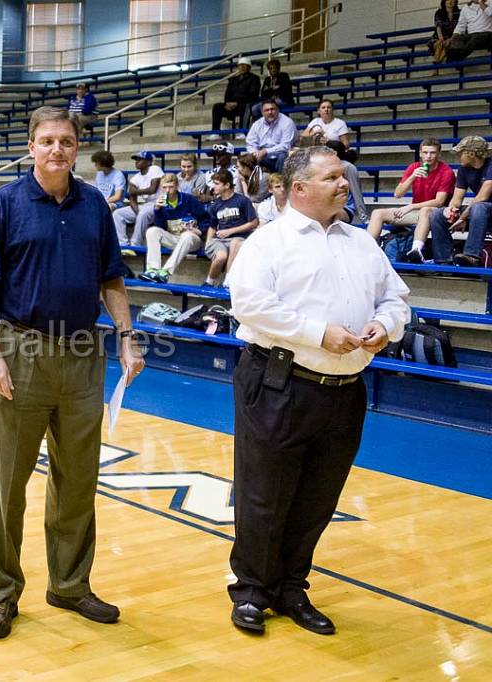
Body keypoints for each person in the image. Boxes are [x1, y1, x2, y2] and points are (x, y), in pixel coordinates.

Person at [0, 106, 144, 640]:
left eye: (66, 141)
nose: (57, 150)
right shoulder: (5, 204)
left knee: (77, 480)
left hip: (82, 354)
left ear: (76, 147)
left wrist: (127, 335)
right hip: (21, 350)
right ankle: (2, 593)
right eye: (47, 141)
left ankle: (70, 584)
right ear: (31, 146)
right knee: (8, 484)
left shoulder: (94, 204)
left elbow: (112, 279)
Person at [225, 145, 410, 636]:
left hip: (344, 389)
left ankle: (290, 587)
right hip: (278, 382)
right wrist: (316, 331)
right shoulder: (270, 241)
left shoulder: (359, 242)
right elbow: (249, 304)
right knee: (263, 493)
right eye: (331, 177)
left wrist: (384, 325)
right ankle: (251, 591)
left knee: (317, 496)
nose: (343, 182)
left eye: (343, 175)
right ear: (300, 188)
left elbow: (396, 298)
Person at [366, 138, 455, 261]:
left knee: (426, 210)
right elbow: (397, 194)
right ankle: (366, 249)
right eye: (425, 152)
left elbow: (439, 201)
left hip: (436, 213)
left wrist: (411, 206)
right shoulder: (414, 167)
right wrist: (413, 176)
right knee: (377, 213)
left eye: (432, 153)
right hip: (415, 212)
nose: (428, 156)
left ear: (439, 154)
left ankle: (416, 250)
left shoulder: (446, 172)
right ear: (420, 153)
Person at [421, 135, 492, 265]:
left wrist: (463, 217)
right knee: (438, 214)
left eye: (461, 153)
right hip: (477, 213)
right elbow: (457, 198)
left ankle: (471, 256)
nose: (458, 156)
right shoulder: (464, 169)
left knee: (479, 206)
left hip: (486, 211)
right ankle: (443, 260)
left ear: (471, 154)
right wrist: (451, 209)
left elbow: (483, 197)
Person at [138, 173, 211, 283]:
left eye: (171, 187)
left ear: (177, 186)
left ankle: (166, 272)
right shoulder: (161, 203)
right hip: (174, 238)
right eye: (164, 187)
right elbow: (161, 227)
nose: (167, 190)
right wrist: (157, 210)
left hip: (192, 239)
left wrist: (200, 231)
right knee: (152, 231)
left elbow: (206, 218)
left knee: (187, 236)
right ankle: (153, 269)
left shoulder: (189, 199)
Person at [204, 169, 258, 288]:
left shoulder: (242, 200)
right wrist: (208, 242)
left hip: (239, 238)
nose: (213, 187)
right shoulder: (215, 205)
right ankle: (209, 282)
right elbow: (212, 226)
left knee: (235, 243)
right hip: (220, 240)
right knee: (221, 256)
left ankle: (228, 281)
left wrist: (231, 231)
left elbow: (253, 222)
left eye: (217, 184)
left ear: (227, 185)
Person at [111, 151, 164, 246]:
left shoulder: (155, 169)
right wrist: (138, 212)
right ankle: (123, 243)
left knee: (143, 213)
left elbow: (152, 189)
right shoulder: (135, 178)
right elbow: (132, 199)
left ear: (148, 162)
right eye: (136, 159)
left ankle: (135, 244)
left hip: (160, 203)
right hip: (147, 205)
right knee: (118, 214)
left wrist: (135, 191)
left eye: (140, 159)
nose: (136, 162)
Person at [209, 57, 260, 138]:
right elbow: (228, 93)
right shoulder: (233, 79)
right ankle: (215, 132)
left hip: (244, 103)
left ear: (249, 67)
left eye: (244, 65)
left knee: (246, 106)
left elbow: (253, 94)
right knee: (217, 107)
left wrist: (237, 103)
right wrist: (227, 104)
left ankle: (242, 132)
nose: (242, 67)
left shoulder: (254, 78)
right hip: (232, 105)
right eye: (240, 65)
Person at [246, 100, 297, 172]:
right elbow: (250, 143)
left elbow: (286, 146)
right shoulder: (257, 124)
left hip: (281, 155)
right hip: (262, 157)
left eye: (272, 109)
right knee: (246, 159)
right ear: (262, 112)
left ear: (278, 110)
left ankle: (279, 181)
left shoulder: (287, 122)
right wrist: (255, 153)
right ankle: (254, 182)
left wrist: (266, 151)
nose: (270, 112)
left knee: (282, 156)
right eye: (267, 110)